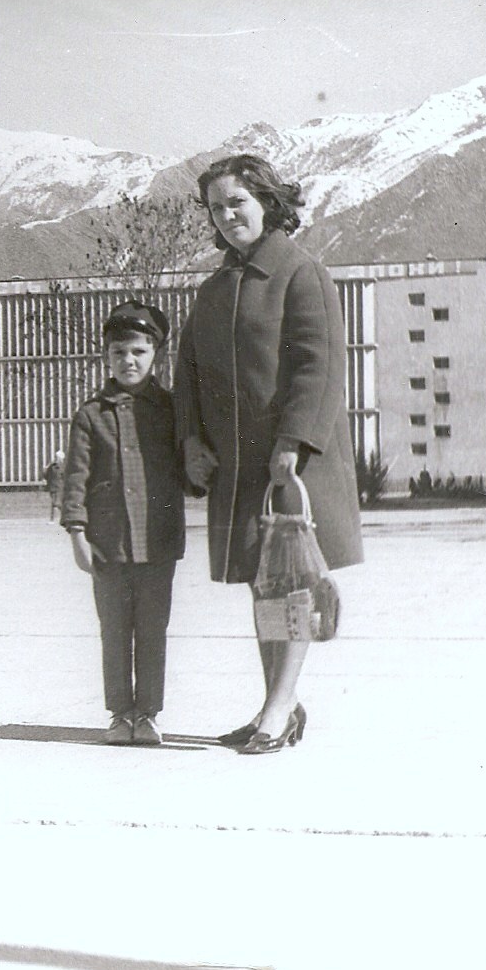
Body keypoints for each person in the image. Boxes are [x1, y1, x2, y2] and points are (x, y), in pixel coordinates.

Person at [174, 154, 364, 755]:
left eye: (238, 202)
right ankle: (276, 705)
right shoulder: (212, 290)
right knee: (264, 586)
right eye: (216, 208)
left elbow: (321, 364)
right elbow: (188, 375)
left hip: (291, 462)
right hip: (237, 467)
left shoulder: (300, 273)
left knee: (294, 586)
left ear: (267, 202)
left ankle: (278, 709)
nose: (228, 216)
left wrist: (292, 441)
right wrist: (191, 440)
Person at [60, 300, 185, 746]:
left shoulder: (171, 410)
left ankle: (148, 714)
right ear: (106, 357)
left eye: (138, 351)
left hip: (158, 543)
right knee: (114, 631)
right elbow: (75, 478)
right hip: (108, 545)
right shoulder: (91, 415)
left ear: (156, 356)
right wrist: (76, 533)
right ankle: (119, 714)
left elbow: (190, 466)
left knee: (153, 630)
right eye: (118, 353)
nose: (128, 361)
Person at [41, 450, 65, 521]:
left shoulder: (64, 466)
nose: (56, 458)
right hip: (52, 486)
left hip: (60, 487)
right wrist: (44, 471)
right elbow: (46, 474)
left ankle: (54, 519)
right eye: (56, 457)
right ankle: (55, 518)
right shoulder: (52, 466)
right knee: (55, 504)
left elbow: (65, 476)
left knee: (55, 503)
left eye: (57, 457)